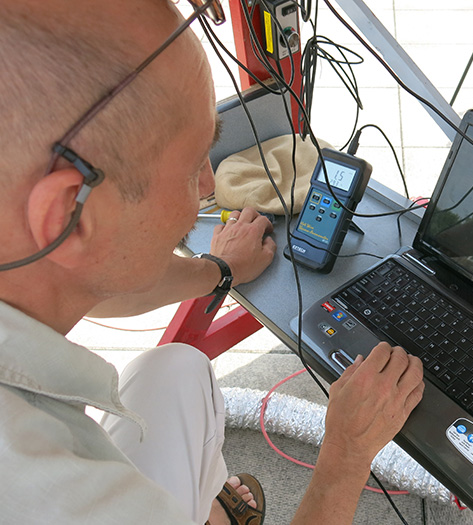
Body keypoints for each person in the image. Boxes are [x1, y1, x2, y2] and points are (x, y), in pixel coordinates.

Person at [0, 1, 425, 524]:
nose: (207, 187)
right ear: (69, 213)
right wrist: (347, 454)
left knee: (175, 368)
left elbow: (96, 283)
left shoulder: (24, 255)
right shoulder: (61, 500)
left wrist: (220, 271)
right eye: (191, 165)